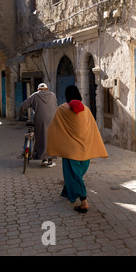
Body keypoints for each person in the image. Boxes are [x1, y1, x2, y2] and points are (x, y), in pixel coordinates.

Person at [46, 85, 108, 213]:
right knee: (76, 174)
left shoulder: (62, 109)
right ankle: (68, 192)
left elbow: (53, 128)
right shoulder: (86, 110)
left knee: (74, 176)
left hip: (70, 152)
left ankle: (84, 202)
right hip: (85, 151)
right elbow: (93, 129)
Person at [19, 83, 58, 167]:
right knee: (51, 138)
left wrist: (22, 115)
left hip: (39, 119)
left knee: (40, 137)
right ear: (47, 89)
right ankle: (50, 161)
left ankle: (43, 158)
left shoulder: (35, 95)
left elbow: (23, 106)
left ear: (38, 90)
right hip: (53, 119)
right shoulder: (53, 95)